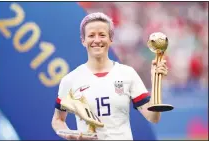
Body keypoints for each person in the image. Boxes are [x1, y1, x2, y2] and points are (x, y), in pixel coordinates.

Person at [51, 12, 168, 140]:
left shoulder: (127, 74)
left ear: (111, 39)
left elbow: (153, 117)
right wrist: (70, 135)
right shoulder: (70, 80)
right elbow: (58, 120)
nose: (97, 40)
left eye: (102, 35)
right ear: (83, 41)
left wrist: (157, 80)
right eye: (91, 35)